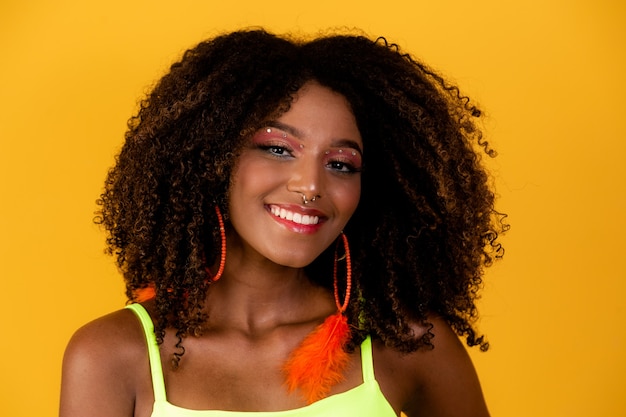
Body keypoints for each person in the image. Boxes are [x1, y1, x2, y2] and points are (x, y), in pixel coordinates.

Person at [59, 29, 506, 417]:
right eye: (277, 149)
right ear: (212, 161)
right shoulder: (111, 354)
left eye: (342, 164)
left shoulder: (407, 342)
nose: (310, 185)